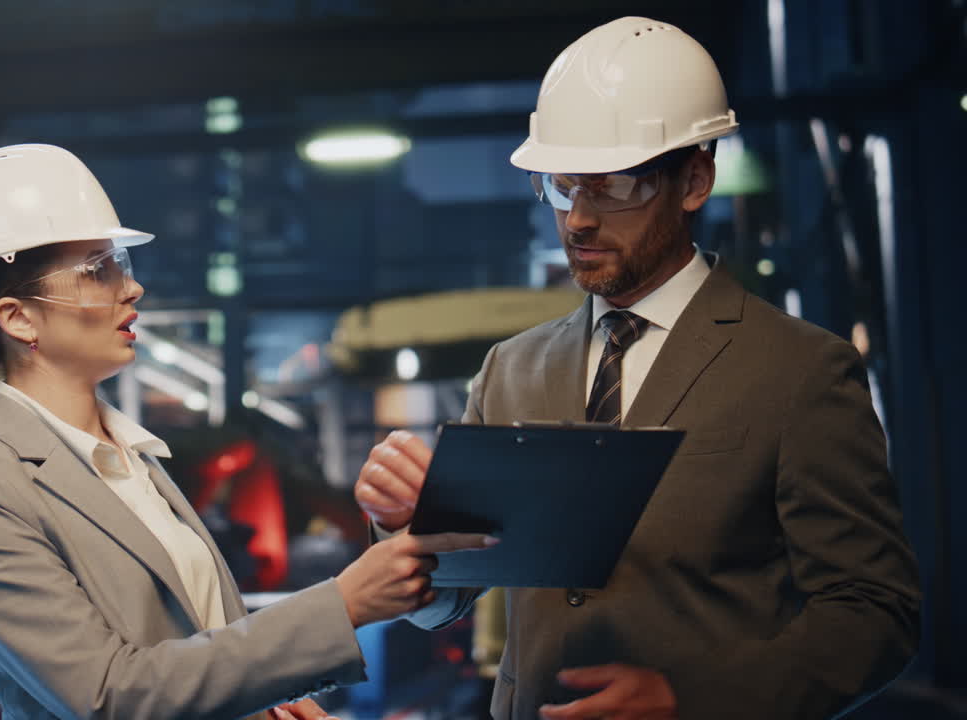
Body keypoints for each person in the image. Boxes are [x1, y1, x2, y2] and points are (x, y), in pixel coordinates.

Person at [353, 17, 921, 720]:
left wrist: (697, 702)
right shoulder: (512, 369)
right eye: (562, 188)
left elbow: (873, 612)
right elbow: (444, 605)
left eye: (613, 187)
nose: (578, 221)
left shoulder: (800, 372)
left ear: (694, 180)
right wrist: (409, 529)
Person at [0, 144, 496, 720]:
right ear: (17, 317)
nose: (130, 288)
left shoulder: (133, 459)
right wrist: (341, 607)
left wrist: (264, 701)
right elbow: (108, 696)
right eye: (97, 270)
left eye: (121, 263)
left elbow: (198, 646)